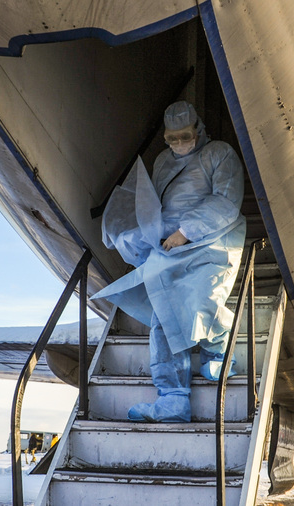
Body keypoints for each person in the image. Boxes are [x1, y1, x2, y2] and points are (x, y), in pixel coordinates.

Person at [93, 101, 246, 423]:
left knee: (202, 299)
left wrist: (186, 231)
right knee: (165, 317)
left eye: (185, 136)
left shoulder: (220, 152)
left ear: (199, 130)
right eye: (172, 138)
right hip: (168, 244)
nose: (179, 143)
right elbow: (153, 202)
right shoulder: (162, 161)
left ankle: (217, 352)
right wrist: (145, 233)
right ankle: (173, 399)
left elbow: (226, 201)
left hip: (212, 237)